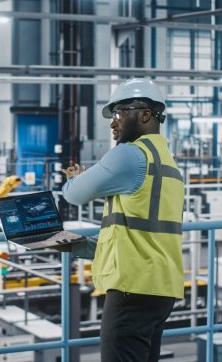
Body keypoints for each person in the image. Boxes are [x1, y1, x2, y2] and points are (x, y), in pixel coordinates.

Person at [61, 78, 184, 362]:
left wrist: (74, 180)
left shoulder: (129, 155)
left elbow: (75, 195)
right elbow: (139, 232)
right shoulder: (167, 162)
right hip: (159, 288)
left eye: (119, 113)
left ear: (145, 114)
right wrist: (78, 245)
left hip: (132, 289)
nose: (113, 123)